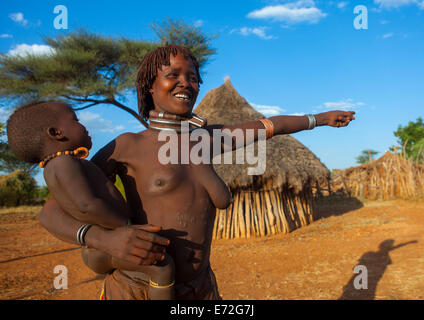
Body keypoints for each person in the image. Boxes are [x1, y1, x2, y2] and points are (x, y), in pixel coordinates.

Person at [39, 44, 355, 300]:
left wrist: (321, 118)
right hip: (138, 288)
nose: (185, 83)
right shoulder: (127, 146)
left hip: (201, 290)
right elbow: (51, 211)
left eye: (192, 76)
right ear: (149, 85)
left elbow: (270, 127)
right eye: (172, 74)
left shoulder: (207, 140)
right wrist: (103, 240)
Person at [6, 101, 175, 300]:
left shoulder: (66, 164)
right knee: (162, 267)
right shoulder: (63, 164)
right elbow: (87, 205)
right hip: (104, 244)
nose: (83, 125)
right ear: (56, 132)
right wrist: (123, 225)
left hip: (102, 243)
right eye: (75, 120)